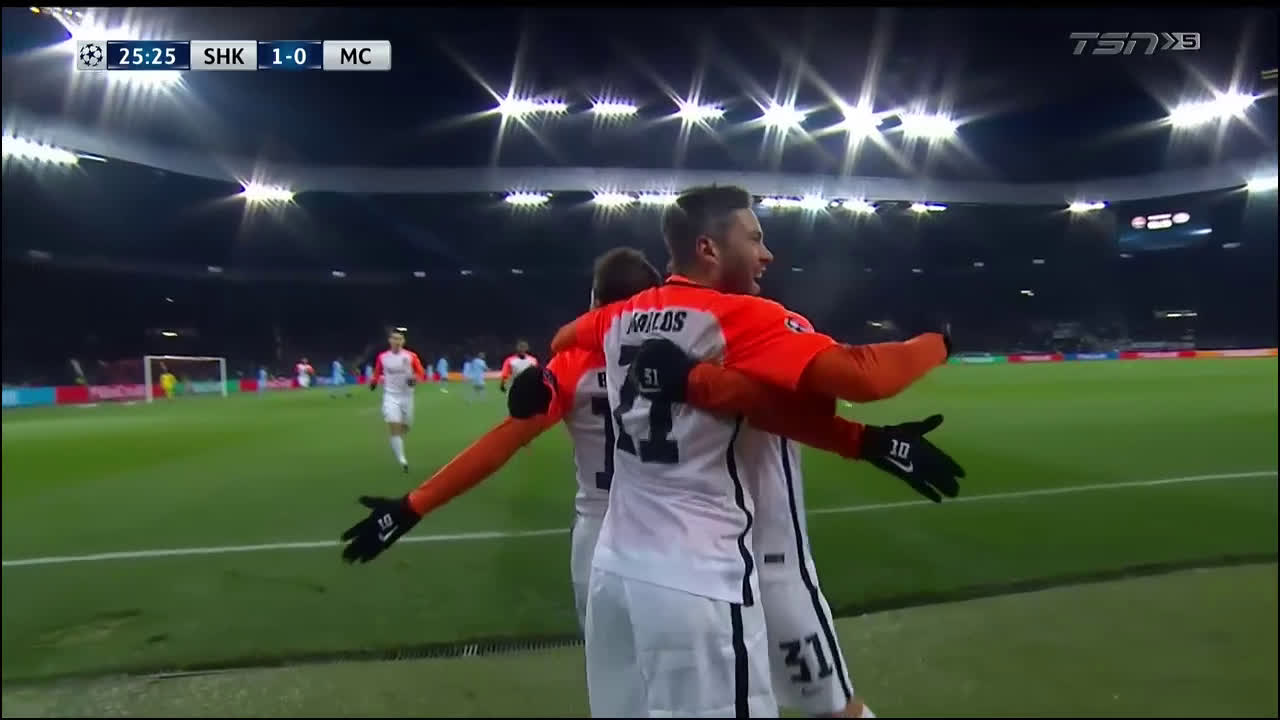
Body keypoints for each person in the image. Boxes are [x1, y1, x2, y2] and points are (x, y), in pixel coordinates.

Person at [549, 186, 958, 717]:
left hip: (614, 575)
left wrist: (698, 379)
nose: (767, 254)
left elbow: (565, 338)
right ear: (708, 248)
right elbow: (866, 377)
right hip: (696, 577)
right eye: (755, 238)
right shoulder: (742, 317)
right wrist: (941, 343)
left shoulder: (621, 315)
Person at [369, 331, 426, 472]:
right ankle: (402, 459)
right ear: (390, 340)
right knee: (394, 425)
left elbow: (420, 373)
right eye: (394, 338)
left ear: (403, 341)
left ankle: (396, 441)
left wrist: (414, 379)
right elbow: (377, 371)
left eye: (400, 339)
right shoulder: (383, 357)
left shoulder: (411, 356)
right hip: (390, 396)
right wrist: (374, 381)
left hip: (407, 397)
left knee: (405, 427)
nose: (397, 341)